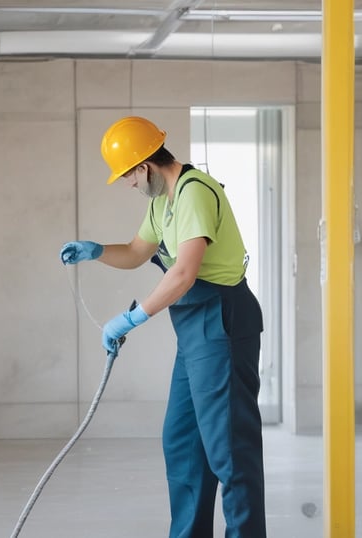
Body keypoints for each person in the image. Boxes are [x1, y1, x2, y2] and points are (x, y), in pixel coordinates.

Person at [60, 116, 266, 538]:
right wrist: (95, 250)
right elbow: (138, 251)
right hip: (195, 331)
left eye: (127, 177)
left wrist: (131, 318)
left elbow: (184, 274)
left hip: (221, 323)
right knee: (183, 443)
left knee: (229, 450)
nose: (128, 185)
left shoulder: (194, 193)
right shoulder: (162, 202)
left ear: (145, 166)